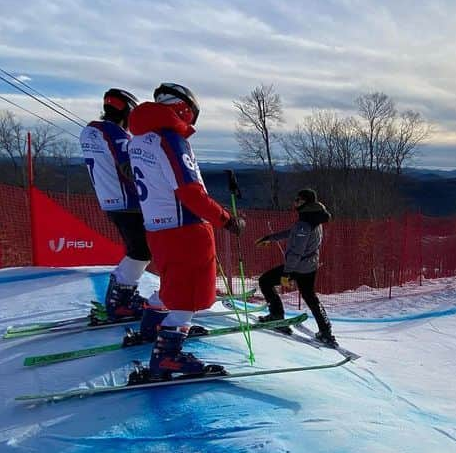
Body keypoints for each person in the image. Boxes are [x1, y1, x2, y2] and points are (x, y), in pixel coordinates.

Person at [127, 82, 244, 380]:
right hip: (184, 228)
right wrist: (226, 219)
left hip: (158, 226)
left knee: (173, 281)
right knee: (189, 296)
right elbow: (190, 192)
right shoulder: (171, 139)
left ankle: (153, 323)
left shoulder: (139, 139)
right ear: (185, 110)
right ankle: (168, 356)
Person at [78, 88, 152, 321]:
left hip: (109, 199)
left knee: (138, 249)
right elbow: (130, 167)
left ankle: (121, 295)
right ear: (127, 111)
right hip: (128, 201)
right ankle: (120, 300)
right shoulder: (115, 133)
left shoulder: (90, 131)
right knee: (142, 251)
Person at [255, 189, 336, 346]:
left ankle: (277, 316)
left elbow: (296, 251)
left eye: (298, 200)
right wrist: (270, 238)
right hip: (310, 266)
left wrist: (287, 273)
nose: (295, 202)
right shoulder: (315, 217)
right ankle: (325, 331)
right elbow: (293, 232)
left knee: (265, 281)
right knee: (310, 296)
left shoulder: (305, 223)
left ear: (305, 202)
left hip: (298, 267)